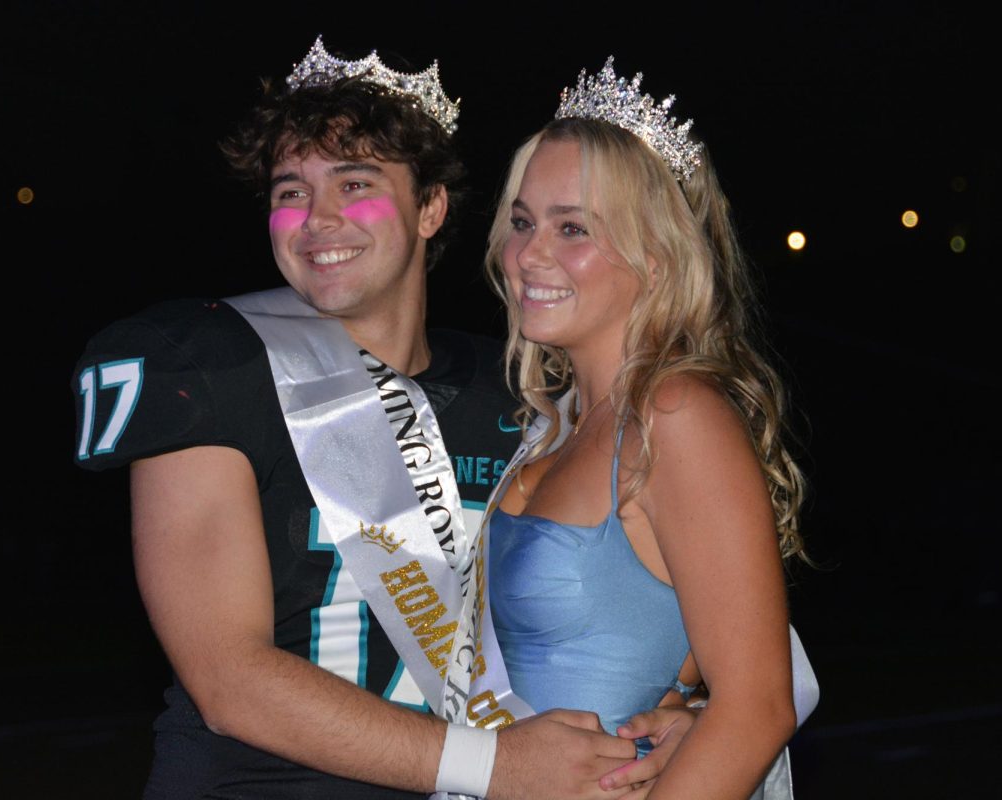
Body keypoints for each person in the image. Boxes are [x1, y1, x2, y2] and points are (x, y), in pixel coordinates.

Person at [72, 39, 690, 800]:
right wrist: (496, 766)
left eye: (355, 183)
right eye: (290, 191)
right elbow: (228, 680)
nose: (317, 220)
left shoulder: (526, 394)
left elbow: (609, 611)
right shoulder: (214, 364)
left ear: (430, 207)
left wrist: (676, 710)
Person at [480, 58, 811, 799]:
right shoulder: (553, 428)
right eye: (524, 222)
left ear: (656, 258)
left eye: (573, 229)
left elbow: (757, 708)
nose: (529, 254)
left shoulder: (676, 417)